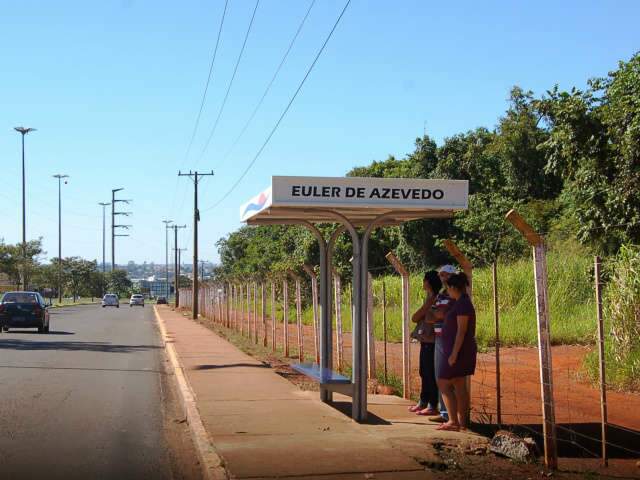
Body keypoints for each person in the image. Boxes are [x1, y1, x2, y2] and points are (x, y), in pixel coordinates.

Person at [436, 272, 477, 432]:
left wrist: (454, 354)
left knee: (444, 382)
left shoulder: (463, 304)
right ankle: (461, 422)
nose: (448, 292)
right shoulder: (460, 302)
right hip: (457, 349)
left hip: (458, 350)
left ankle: (454, 420)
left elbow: (461, 331)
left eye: (448, 289)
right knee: (459, 383)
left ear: (453, 287)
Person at [408, 271, 442, 415]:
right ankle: (424, 401)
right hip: (426, 339)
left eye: (424, 280)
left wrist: (426, 307)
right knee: (424, 372)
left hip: (432, 340)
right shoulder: (430, 298)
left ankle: (432, 404)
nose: (423, 282)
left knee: (429, 373)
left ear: (429, 282)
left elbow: (417, 317)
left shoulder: (435, 299)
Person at [427, 264, 457, 424]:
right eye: (441, 275)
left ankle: (452, 415)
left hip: (449, 338)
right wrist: (438, 315)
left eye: (445, 275)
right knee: (440, 375)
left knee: (447, 377)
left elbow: (445, 314)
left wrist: (439, 314)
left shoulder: (455, 294)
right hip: (439, 338)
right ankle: (445, 412)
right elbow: (430, 316)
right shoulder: (440, 296)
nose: (442, 278)